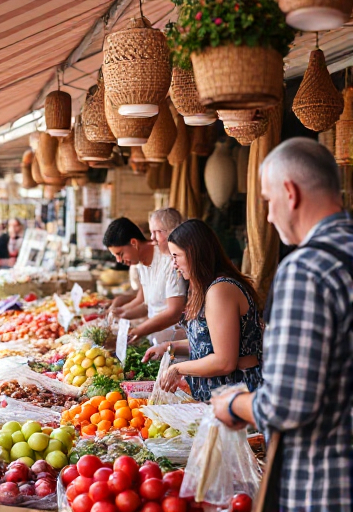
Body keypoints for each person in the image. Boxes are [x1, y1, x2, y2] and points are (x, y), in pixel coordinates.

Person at [211, 138, 353, 511]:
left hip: (324, 487)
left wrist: (233, 403)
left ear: (290, 193)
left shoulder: (305, 270)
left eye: (267, 201)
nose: (269, 217)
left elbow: (288, 405)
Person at [146, 219, 263, 402]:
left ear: (193, 253)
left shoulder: (220, 290)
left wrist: (177, 368)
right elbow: (208, 343)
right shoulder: (207, 288)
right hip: (218, 399)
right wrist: (171, 347)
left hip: (236, 399)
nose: (173, 264)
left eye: (176, 256)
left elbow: (224, 361)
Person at [103, 217, 187, 343]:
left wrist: (138, 331)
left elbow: (174, 312)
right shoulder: (140, 264)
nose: (119, 261)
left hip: (175, 341)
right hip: (155, 338)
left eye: (120, 254)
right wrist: (120, 313)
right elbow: (147, 303)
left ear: (134, 243)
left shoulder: (169, 261)